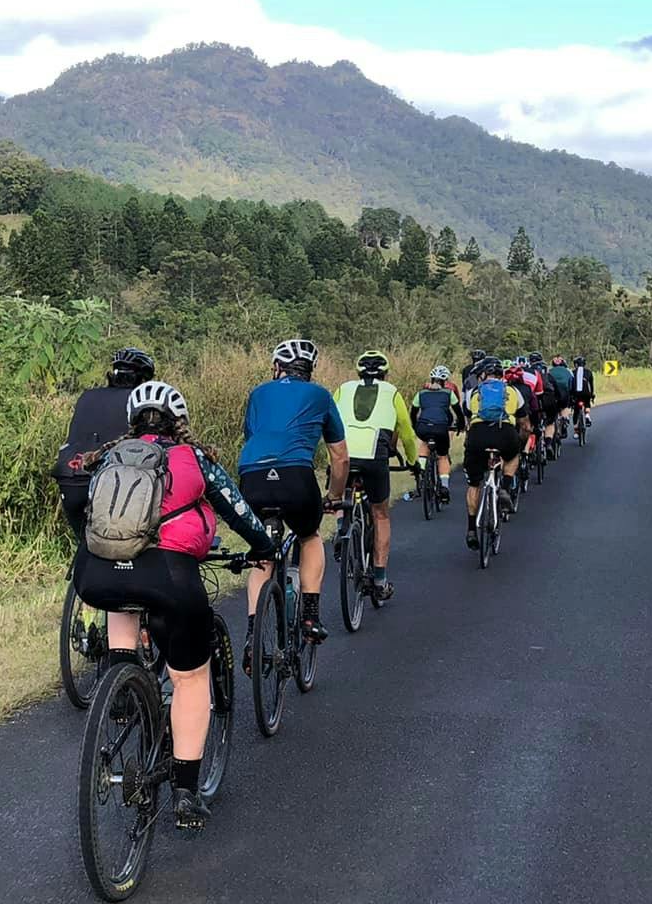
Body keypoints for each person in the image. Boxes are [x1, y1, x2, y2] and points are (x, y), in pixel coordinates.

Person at [75, 381, 274, 828]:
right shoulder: (193, 458)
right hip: (169, 577)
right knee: (190, 678)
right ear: (178, 423)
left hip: (98, 574)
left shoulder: (109, 457)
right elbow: (237, 510)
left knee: (122, 596)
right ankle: (185, 792)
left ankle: (121, 679)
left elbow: (84, 512)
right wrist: (264, 546)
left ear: (132, 421)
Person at [238, 337, 347, 651]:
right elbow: (339, 456)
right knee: (309, 535)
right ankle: (311, 616)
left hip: (253, 476)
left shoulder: (257, 393)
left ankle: (251, 634)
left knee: (262, 554)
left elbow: (252, 436)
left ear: (276, 367)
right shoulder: (320, 395)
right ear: (310, 370)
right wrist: (333, 495)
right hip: (296, 477)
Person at [332, 350, 421, 602]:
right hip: (374, 455)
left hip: (344, 453)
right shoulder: (391, 392)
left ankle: (341, 529)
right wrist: (414, 464)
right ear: (385, 373)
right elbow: (406, 433)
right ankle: (380, 580)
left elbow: (330, 421)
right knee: (380, 513)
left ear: (358, 372)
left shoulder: (343, 388)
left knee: (338, 493)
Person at [54, 347, 155, 542]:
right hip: (110, 478)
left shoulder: (87, 396)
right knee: (125, 545)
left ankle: (83, 567)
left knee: (85, 544)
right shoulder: (139, 402)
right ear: (143, 379)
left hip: (69, 476)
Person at [461, 357, 522, 551]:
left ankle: (471, 529)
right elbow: (526, 423)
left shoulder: (475, 391)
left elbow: (468, 416)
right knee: (513, 456)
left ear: (483, 375)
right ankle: (504, 486)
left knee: (473, 484)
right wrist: (519, 441)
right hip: (505, 433)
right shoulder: (512, 391)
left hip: (478, 435)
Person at [412, 364, 466, 501]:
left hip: (423, 427)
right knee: (442, 456)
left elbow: (413, 413)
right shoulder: (449, 393)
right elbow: (458, 413)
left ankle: (422, 471)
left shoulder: (421, 393)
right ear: (444, 381)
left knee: (424, 443)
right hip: (441, 428)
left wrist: (415, 426)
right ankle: (444, 487)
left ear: (431, 379)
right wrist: (460, 425)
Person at [546, 355, 578, 437]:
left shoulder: (549, 370)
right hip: (564, 392)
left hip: (552, 394)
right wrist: (573, 396)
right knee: (564, 407)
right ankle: (564, 419)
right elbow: (572, 384)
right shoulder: (568, 371)